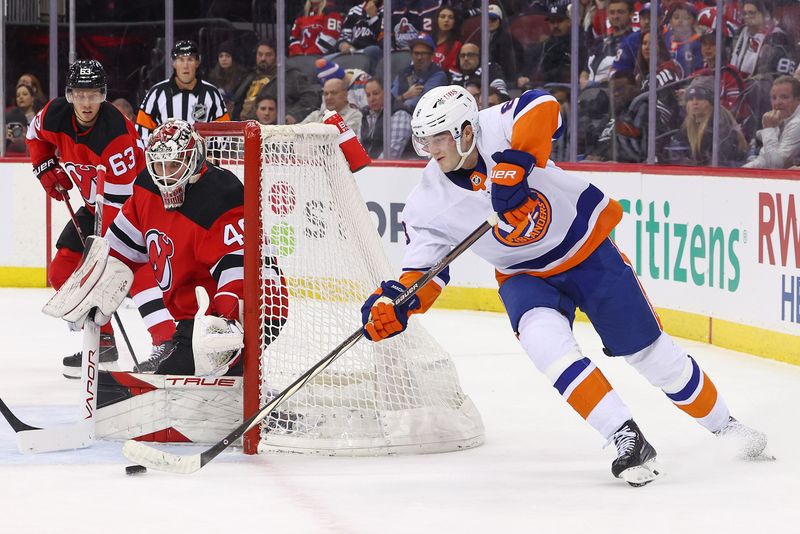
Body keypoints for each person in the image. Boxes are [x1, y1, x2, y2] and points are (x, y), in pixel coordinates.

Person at [359, 84, 770, 486]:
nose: (432, 151)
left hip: (585, 248)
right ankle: (624, 435)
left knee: (651, 356)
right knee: (546, 347)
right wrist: (398, 304)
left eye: (440, 138)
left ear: (468, 130)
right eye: (424, 141)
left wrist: (515, 164)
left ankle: (727, 427)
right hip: (523, 275)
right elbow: (422, 275)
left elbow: (544, 106)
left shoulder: (494, 127)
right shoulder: (426, 203)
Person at [54, 119, 287, 376]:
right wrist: (95, 286)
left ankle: (247, 395)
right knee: (186, 372)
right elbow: (121, 247)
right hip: (197, 315)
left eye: (174, 164)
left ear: (194, 160)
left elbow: (240, 269)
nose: (165, 174)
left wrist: (224, 322)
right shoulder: (146, 187)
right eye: (158, 164)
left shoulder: (222, 196)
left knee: (184, 373)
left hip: (257, 306)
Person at [25, 59, 176, 377]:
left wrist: (104, 253)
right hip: (97, 205)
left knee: (131, 267)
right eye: (79, 94)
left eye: (93, 94)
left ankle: (167, 340)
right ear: (69, 95)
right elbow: (34, 135)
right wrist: (45, 169)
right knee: (64, 269)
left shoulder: (116, 135)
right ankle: (103, 341)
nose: (86, 102)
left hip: (137, 206)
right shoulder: (54, 114)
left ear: (103, 95)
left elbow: (123, 205)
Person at [136, 40, 230, 145]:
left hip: (202, 160)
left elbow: (224, 132)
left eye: (190, 59)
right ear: (174, 63)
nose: (185, 65)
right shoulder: (156, 93)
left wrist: (210, 154)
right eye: (181, 60)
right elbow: (142, 131)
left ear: (197, 62)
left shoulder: (212, 94)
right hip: (164, 160)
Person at [666, 77, 748, 166]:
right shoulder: (689, 123)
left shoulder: (720, 122)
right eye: (690, 99)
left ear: (711, 102)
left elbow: (721, 160)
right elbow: (677, 149)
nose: (694, 102)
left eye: (700, 98)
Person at [233, 40, 320, 123]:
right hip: (240, 125)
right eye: (260, 54)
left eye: (268, 55)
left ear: (277, 57)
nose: (263, 58)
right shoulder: (249, 75)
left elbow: (311, 97)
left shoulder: (291, 76)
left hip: (271, 128)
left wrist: (294, 115)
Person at [744, 75, 800, 169]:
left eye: (784, 97)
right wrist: (742, 171)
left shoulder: (797, 123)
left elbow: (775, 165)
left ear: (798, 99)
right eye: (774, 98)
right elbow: (764, 159)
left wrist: (769, 129)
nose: (777, 103)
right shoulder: (781, 118)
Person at [518, 3, 575, 90]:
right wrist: (523, 77)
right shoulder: (546, 45)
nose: (555, 25)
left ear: (569, 22)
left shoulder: (575, 43)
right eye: (552, 22)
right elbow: (530, 65)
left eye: (559, 21)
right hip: (543, 88)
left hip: (566, 90)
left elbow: (565, 71)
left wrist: (539, 77)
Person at [391, 33, 449, 113]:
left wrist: (398, 101)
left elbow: (418, 104)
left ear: (432, 55)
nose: (419, 58)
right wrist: (405, 96)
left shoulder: (438, 75)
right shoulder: (403, 73)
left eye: (423, 53)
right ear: (411, 54)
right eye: (416, 53)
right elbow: (388, 101)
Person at [359, 78, 412, 159]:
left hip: (392, 169)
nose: (372, 99)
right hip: (367, 168)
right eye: (368, 95)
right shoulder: (366, 114)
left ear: (386, 92)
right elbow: (358, 145)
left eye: (376, 93)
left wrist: (370, 167)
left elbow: (392, 152)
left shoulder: (399, 113)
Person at [337, 0, 384, 73]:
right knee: (327, 59)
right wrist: (343, 44)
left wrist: (373, 18)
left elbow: (383, 39)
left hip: (375, 51)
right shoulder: (355, 10)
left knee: (371, 50)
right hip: (353, 51)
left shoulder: (388, 10)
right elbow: (344, 35)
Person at [5, 83, 40, 154]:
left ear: (32, 98)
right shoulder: (9, 118)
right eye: (18, 96)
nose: (21, 97)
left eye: (25, 94)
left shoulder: (39, 118)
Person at [432, 5, 463, 76]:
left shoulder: (457, 45)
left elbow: (453, 72)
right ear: (437, 19)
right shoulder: (428, 40)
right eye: (442, 17)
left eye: (450, 17)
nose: (446, 20)